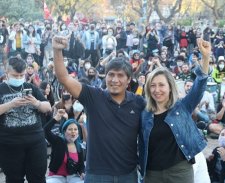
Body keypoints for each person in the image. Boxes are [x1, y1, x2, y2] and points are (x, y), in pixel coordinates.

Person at [52, 35, 145, 183]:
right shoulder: (93, 96)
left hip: (128, 173)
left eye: (120, 76)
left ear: (128, 80)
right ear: (105, 76)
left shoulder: (139, 102)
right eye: (111, 75)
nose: (115, 80)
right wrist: (57, 51)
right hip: (97, 174)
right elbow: (64, 78)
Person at [139, 38, 211, 183]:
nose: (157, 90)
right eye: (152, 85)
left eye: (161, 85)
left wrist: (206, 57)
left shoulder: (182, 107)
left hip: (180, 171)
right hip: (152, 174)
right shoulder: (144, 113)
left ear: (170, 87)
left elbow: (200, 83)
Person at [0, 57, 51, 182]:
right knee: (14, 179)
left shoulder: (30, 87)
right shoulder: (1, 89)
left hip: (35, 142)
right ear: (7, 73)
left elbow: (48, 107)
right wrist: (10, 104)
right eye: (15, 76)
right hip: (10, 143)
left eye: (21, 75)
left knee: (38, 178)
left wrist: (36, 103)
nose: (18, 79)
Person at [44, 117, 85, 183]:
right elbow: (46, 130)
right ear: (64, 131)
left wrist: (82, 173)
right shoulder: (58, 142)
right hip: (56, 176)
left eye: (75, 129)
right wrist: (55, 119)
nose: (73, 131)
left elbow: (81, 166)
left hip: (73, 177)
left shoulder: (79, 146)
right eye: (70, 129)